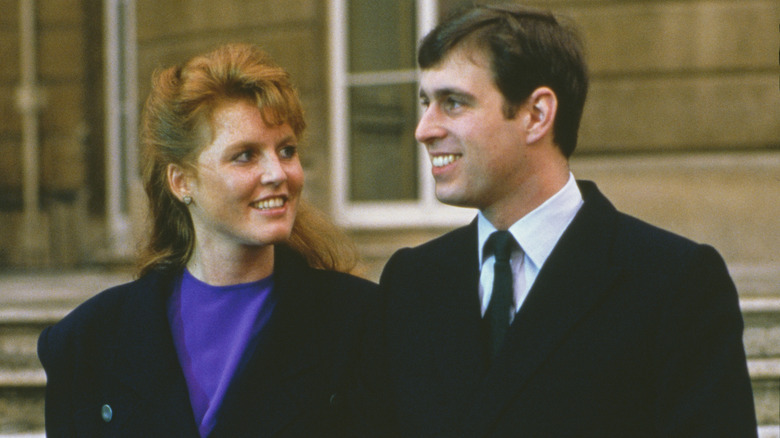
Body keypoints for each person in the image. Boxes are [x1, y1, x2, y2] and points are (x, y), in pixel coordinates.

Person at [357, 5, 758, 437]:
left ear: (536, 115)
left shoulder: (674, 282)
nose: (423, 129)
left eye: (453, 103)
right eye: (425, 102)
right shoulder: (412, 281)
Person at [38, 43, 377, 437]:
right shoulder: (86, 342)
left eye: (286, 150)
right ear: (182, 182)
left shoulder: (360, 323)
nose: (278, 173)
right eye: (245, 156)